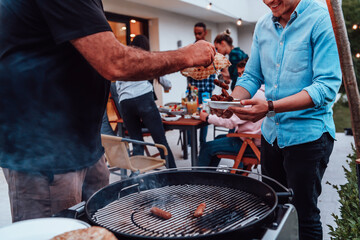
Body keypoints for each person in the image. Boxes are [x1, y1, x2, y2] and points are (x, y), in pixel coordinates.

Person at [0, 0, 215, 222]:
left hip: (85, 143)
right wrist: (186, 55)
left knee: (100, 224)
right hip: (45, 152)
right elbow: (114, 61)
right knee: (56, 231)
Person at [225, 0, 342, 239]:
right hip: (271, 136)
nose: (268, 1)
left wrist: (269, 107)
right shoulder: (262, 25)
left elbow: (326, 87)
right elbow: (251, 76)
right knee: (273, 208)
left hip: (309, 137)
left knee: (304, 216)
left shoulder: (320, 20)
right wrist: (231, 103)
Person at [116, 35, 176, 168]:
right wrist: (168, 87)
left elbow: (117, 84)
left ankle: (138, 177)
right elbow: (165, 82)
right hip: (144, 99)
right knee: (160, 141)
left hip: (125, 103)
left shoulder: (124, 60)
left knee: (136, 142)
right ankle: (173, 175)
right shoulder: (148, 59)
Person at [198, 87, 265, 168]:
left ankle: (198, 179)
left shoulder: (254, 95)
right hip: (258, 141)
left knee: (206, 148)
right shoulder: (264, 93)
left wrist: (207, 118)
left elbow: (231, 121)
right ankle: (210, 177)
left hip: (250, 143)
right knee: (218, 138)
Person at [187, 22, 216, 148]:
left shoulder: (211, 48)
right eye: (195, 33)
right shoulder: (190, 49)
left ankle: (202, 143)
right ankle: (190, 144)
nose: (197, 36)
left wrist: (210, 90)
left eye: (199, 33)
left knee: (204, 116)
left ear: (205, 33)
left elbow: (214, 69)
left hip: (206, 90)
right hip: (193, 89)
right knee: (190, 115)